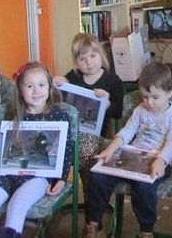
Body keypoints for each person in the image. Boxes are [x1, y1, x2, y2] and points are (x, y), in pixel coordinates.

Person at [83, 62, 172, 238]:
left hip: (158, 160)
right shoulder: (140, 109)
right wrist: (110, 149)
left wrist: (161, 161)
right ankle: (93, 224)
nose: (149, 103)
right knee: (98, 177)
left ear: (169, 93)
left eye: (155, 97)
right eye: (145, 97)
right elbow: (127, 131)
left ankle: (146, 231)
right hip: (131, 156)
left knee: (144, 188)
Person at [0, 62, 73, 238]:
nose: (36, 91)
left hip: (40, 176)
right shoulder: (13, 114)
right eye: (30, 86)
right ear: (20, 90)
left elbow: (66, 151)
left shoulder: (58, 115)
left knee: (18, 204)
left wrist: (61, 179)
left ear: (49, 87)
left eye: (41, 85)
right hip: (9, 173)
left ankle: (11, 234)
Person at [52, 32, 124, 214]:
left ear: (101, 54)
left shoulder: (112, 80)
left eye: (92, 56)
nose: (89, 62)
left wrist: (107, 103)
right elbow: (61, 93)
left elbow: (118, 112)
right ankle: (52, 193)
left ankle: (93, 206)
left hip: (96, 135)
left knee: (85, 151)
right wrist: (60, 82)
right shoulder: (74, 76)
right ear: (76, 62)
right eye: (82, 59)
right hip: (70, 132)